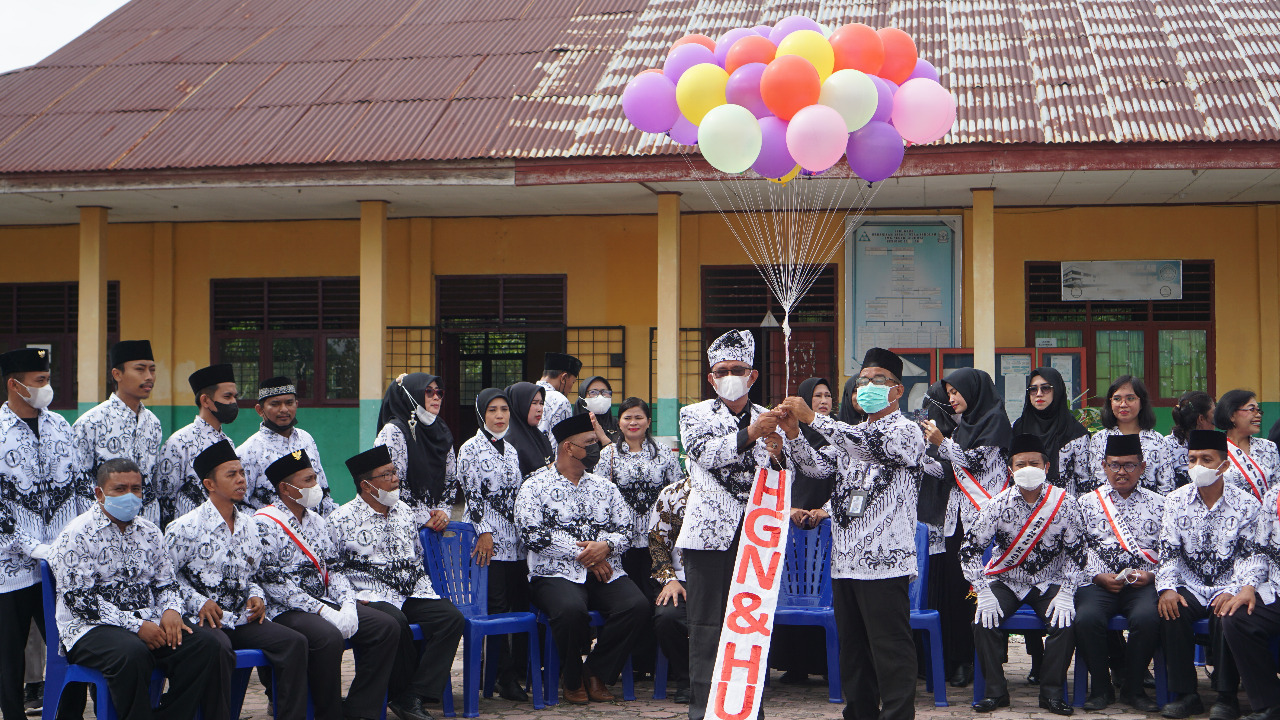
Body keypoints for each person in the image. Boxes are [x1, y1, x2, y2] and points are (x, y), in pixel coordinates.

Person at [782, 347, 927, 720]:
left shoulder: (907, 431)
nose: (867, 387)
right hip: (845, 560)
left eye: (878, 380)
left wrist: (813, 417)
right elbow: (816, 468)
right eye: (862, 381)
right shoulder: (852, 432)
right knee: (853, 650)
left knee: (890, 649)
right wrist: (795, 435)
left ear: (897, 390)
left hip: (885, 562)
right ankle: (860, 713)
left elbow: (870, 449)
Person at [676, 329, 805, 720]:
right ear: (711, 378)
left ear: (753, 376)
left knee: (751, 626)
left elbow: (787, 475)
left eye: (738, 370)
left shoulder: (770, 417)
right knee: (706, 628)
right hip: (708, 536)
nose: (730, 376)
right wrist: (753, 432)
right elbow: (707, 454)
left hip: (757, 540)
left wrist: (781, 450)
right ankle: (704, 711)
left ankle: (749, 710)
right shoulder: (693, 415)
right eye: (722, 371)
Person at [49, 458, 226, 720]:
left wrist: (171, 610)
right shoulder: (76, 534)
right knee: (132, 654)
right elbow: (80, 601)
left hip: (148, 621)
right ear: (99, 493)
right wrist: (136, 626)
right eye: (120, 489)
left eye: (136, 489)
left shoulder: (150, 532)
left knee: (206, 646)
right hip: (89, 627)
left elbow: (166, 582)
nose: (130, 496)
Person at [165, 440, 308, 720]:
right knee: (218, 648)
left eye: (242, 473)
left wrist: (257, 596)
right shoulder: (184, 528)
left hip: (240, 617)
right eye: (231, 474)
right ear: (209, 484)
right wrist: (199, 602)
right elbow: (165, 579)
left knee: (294, 642)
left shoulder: (250, 525)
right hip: (201, 620)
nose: (241, 480)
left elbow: (252, 575)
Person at [254, 449, 399, 720]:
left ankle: (359, 710)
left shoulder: (316, 521)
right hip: (286, 609)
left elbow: (334, 569)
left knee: (385, 626)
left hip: (325, 600)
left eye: (315, 478)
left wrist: (347, 604)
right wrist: (323, 611)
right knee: (328, 637)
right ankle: (327, 712)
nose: (316, 485)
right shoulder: (264, 523)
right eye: (308, 480)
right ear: (285, 488)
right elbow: (273, 583)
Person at [515, 413, 650, 704]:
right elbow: (531, 534)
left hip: (605, 570)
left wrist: (606, 546)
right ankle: (572, 677)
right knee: (570, 610)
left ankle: (595, 671)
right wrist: (587, 554)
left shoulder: (605, 487)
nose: (595, 448)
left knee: (636, 606)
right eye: (589, 442)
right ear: (568, 447)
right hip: (554, 573)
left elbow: (626, 529)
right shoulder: (534, 486)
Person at [331, 446, 466, 720]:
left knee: (450, 618)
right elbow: (331, 569)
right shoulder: (340, 519)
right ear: (366, 485)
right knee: (395, 622)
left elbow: (416, 554)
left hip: (411, 591)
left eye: (394, 472)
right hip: (370, 595)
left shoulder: (404, 511)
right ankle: (398, 695)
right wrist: (350, 598)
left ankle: (414, 695)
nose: (395, 479)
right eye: (387, 474)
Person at [960, 433, 1087, 717]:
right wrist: (982, 591)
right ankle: (996, 692)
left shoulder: (1065, 503)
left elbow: (1078, 553)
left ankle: (1051, 693)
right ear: (1010, 470)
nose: (1027, 469)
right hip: (1006, 580)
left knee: (1065, 623)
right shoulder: (997, 504)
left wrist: (1067, 592)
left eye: (1034, 463)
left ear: (1046, 467)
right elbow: (969, 550)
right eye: (1020, 464)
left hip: (1048, 581)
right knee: (982, 622)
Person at [922, 368, 1015, 682]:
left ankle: (984, 662)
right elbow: (951, 472)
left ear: (973, 391)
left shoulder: (995, 420)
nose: (952, 398)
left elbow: (975, 461)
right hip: (956, 521)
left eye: (956, 392)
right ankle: (961, 658)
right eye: (948, 393)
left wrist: (942, 442)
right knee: (958, 591)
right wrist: (923, 457)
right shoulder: (962, 426)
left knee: (982, 592)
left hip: (986, 522)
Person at [0, 348, 77, 720]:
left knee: (69, 645)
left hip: (59, 562)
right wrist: (31, 546)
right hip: (10, 569)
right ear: (15, 385)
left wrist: (74, 542)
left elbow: (77, 486)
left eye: (48, 379)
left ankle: (69, 714)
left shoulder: (60, 425)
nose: (48, 387)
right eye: (40, 381)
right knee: (9, 655)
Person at [1157, 430, 1253, 720]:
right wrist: (1167, 588)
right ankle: (1186, 695)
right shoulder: (1175, 501)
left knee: (1230, 613)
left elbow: (1250, 555)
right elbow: (1167, 551)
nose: (1197, 466)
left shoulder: (1247, 504)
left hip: (1229, 583)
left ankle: (1226, 697)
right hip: (1190, 583)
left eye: (1206, 460)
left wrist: (1235, 589)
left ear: (1224, 465)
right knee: (1171, 609)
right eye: (1192, 459)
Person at [1073, 434, 1164, 711]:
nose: (1121, 472)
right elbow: (1075, 549)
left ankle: (1133, 689)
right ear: (1104, 466)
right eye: (1114, 465)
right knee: (1086, 618)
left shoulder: (1160, 504)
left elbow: (1170, 550)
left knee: (1148, 618)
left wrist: (1152, 576)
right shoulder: (1086, 503)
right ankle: (1101, 689)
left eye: (1129, 465)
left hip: (1142, 584)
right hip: (1099, 583)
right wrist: (1096, 576)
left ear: (1142, 467)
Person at [596, 397, 681, 677]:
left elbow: (677, 495)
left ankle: (657, 664)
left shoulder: (664, 454)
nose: (633, 423)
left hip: (657, 543)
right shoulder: (608, 455)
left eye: (638, 417)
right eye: (627, 418)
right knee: (631, 603)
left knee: (655, 599)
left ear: (648, 422)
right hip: (620, 544)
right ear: (619, 423)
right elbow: (598, 498)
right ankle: (630, 665)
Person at [458, 388, 530, 702]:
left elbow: (517, 497)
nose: (499, 416)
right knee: (496, 608)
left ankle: (504, 672)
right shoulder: (470, 449)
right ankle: (503, 677)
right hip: (486, 543)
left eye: (504, 409)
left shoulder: (511, 450)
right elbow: (472, 495)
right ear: (481, 413)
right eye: (492, 410)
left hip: (515, 542)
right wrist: (484, 532)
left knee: (515, 606)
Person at [770, 377, 839, 686]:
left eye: (828, 395)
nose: (823, 401)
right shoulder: (788, 435)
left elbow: (844, 480)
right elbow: (776, 478)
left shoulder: (838, 435)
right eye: (817, 396)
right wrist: (789, 510)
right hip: (793, 524)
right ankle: (794, 664)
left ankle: (824, 662)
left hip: (826, 524)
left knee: (823, 593)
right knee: (793, 589)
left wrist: (826, 509)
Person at [71, 340, 163, 523]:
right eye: (140, 369)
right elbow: (80, 484)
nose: (149, 377)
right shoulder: (91, 422)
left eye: (152, 370)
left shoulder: (153, 423)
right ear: (117, 374)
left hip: (145, 527)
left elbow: (152, 482)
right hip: (103, 526)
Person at [919, 379, 974, 688]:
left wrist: (931, 451)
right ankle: (930, 662)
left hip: (951, 525)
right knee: (931, 596)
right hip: (924, 525)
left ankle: (960, 660)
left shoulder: (963, 434)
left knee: (955, 596)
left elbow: (952, 473)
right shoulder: (921, 435)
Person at [1221, 444, 1280, 720]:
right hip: (1277, 591)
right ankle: (1269, 703)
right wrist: (1248, 587)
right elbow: (1258, 551)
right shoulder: (1274, 498)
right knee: (1237, 617)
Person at [237, 376, 337, 514]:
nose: (284, 409)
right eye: (275, 404)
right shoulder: (249, 451)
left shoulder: (306, 439)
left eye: (289, 403)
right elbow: (239, 506)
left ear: (297, 404)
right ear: (260, 410)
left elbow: (324, 492)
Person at [157, 363, 239, 527]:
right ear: (205, 400)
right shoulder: (179, 442)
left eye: (235, 397)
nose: (233, 402)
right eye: (227, 397)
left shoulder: (228, 442)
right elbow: (164, 498)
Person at [375, 373, 456, 531]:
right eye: (429, 391)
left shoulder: (441, 430)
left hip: (435, 527)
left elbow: (451, 478)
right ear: (411, 394)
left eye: (439, 392)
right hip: (400, 526)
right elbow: (390, 482)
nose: (436, 397)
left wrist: (443, 511)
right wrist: (423, 517)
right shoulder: (394, 432)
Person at [1086, 376, 1174, 495]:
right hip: (1108, 505)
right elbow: (1097, 483)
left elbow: (1166, 486)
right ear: (1110, 402)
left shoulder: (1157, 440)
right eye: (1117, 399)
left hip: (1151, 505)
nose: (1123, 404)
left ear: (1142, 402)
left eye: (1130, 398)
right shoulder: (1099, 440)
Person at [650, 474, 693, 704]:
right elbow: (657, 544)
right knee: (668, 617)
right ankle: (687, 680)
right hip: (680, 578)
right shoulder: (671, 494)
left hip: (725, 578)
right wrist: (669, 579)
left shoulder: (736, 491)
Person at [1013, 367, 1090, 495]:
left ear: (1057, 391)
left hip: (1063, 504)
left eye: (1046, 388)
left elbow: (1083, 481)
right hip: (1023, 504)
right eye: (1033, 389)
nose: (1039, 394)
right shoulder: (1017, 428)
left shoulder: (1075, 433)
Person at [1215, 389, 1279, 501]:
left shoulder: (1269, 447)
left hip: (1265, 511)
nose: (1258, 415)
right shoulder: (1215, 448)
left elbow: (1277, 487)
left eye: (1258, 410)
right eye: (1252, 409)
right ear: (1231, 415)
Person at [503, 382, 552, 479]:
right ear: (520, 404)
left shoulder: (540, 437)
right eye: (534, 403)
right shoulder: (508, 442)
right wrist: (547, 469)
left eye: (541, 403)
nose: (540, 409)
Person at [535, 352, 582, 452]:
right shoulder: (560, 401)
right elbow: (559, 445)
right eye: (573, 382)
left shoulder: (525, 394)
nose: (570, 390)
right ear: (563, 378)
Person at [1168, 391, 1216, 487]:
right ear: (1201, 419)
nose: (1216, 418)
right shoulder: (1166, 447)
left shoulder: (1216, 445)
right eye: (1213, 413)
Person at [576, 375, 620, 446]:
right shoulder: (574, 427)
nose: (600, 397)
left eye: (605, 392)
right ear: (582, 396)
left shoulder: (617, 425)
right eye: (593, 392)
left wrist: (603, 438)